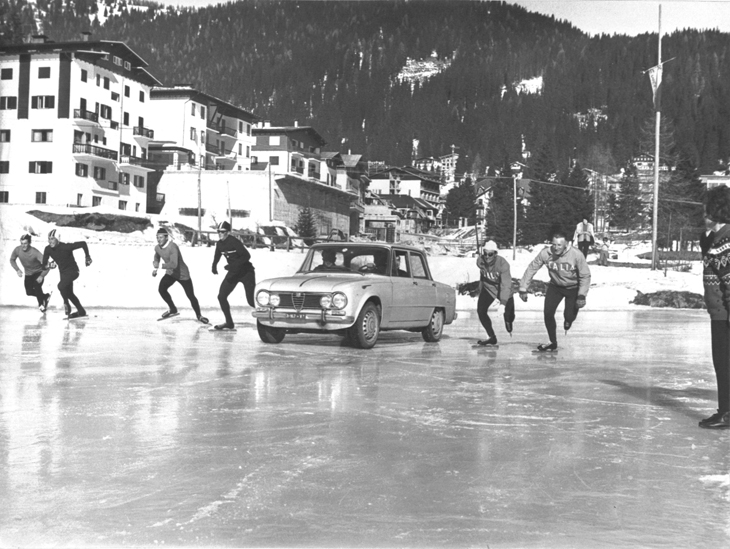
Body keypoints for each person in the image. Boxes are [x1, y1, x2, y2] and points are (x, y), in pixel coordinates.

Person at [519, 231, 591, 352]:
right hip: (555, 286)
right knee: (548, 313)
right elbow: (532, 268)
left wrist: (582, 295)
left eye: (559, 245)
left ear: (566, 244)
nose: (556, 248)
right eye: (554, 244)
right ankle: (552, 342)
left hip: (573, 288)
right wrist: (523, 287)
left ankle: (569, 320)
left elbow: (585, 275)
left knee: (568, 316)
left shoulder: (576, 255)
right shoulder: (545, 253)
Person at [699, 185, 730, 429]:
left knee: (724, 362)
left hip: (725, 314)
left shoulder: (725, 242)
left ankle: (727, 413)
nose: (703, 214)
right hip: (719, 312)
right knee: (722, 362)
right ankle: (725, 410)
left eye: (706, 210)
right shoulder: (715, 239)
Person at [152, 228, 208, 324]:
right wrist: (155, 267)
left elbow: (174, 264)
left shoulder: (173, 247)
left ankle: (199, 315)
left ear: (166, 237)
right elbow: (157, 256)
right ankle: (173, 309)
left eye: (161, 237)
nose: (159, 240)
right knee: (162, 289)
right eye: (157, 237)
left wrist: (160, 266)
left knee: (190, 295)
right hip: (171, 273)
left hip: (182, 274)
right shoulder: (157, 247)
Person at [211, 221, 256, 331]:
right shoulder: (220, 244)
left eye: (223, 232)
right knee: (221, 296)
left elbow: (246, 256)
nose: (220, 234)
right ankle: (229, 323)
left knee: (251, 301)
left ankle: (271, 316)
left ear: (228, 232)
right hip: (234, 273)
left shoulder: (234, 242)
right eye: (219, 232)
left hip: (246, 272)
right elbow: (217, 254)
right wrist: (214, 265)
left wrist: (233, 265)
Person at [41, 229, 92, 319]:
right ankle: (81, 311)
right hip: (63, 273)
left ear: (57, 239)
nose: (50, 241)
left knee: (61, 286)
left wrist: (87, 257)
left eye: (52, 238)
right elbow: (43, 265)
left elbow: (83, 243)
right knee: (69, 293)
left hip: (73, 272)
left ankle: (66, 303)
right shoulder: (48, 249)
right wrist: (49, 265)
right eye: (49, 239)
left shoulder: (66, 247)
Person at [475, 240, 515, 346]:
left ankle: (508, 320)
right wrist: (480, 287)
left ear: (495, 254)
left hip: (503, 289)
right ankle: (491, 337)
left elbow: (505, 285)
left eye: (490, 254)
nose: (487, 256)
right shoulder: (480, 261)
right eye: (485, 253)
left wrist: (503, 303)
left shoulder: (503, 264)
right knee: (481, 311)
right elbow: (483, 275)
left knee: (508, 317)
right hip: (489, 289)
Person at [10, 234, 51, 312]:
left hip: (38, 272)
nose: (23, 246)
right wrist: (17, 269)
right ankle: (45, 296)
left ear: (29, 243)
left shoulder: (34, 252)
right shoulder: (17, 250)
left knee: (37, 286)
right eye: (22, 243)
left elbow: (47, 265)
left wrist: (42, 276)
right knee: (29, 292)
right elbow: (12, 260)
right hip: (28, 274)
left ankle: (41, 305)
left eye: (25, 243)